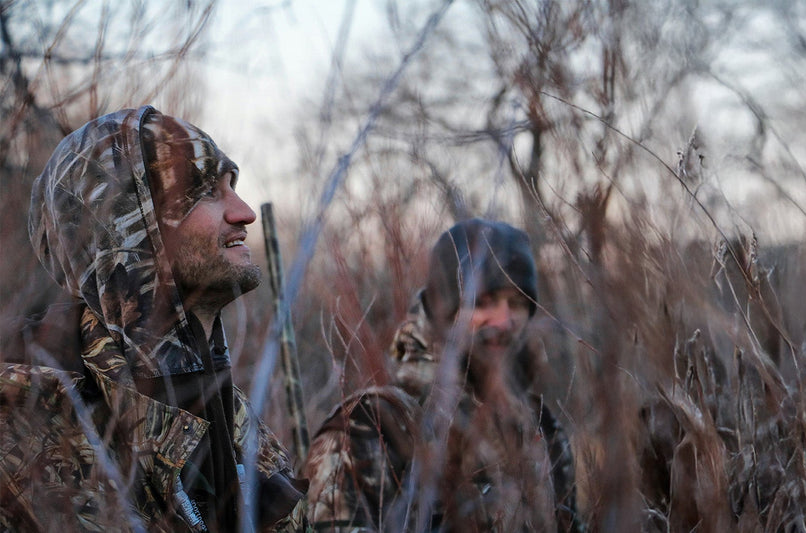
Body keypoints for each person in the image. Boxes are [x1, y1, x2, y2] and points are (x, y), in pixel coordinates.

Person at [0, 107, 303, 531]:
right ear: (125, 228)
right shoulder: (27, 428)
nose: (245, 212)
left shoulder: (241, 423)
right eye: (206, 193)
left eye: (233, 187)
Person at [302, 219, 579, 531]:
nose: (503, 321)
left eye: (516, 303)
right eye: (482, 302)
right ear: (443, 312)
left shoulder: (541, 427)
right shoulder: (372, 425)